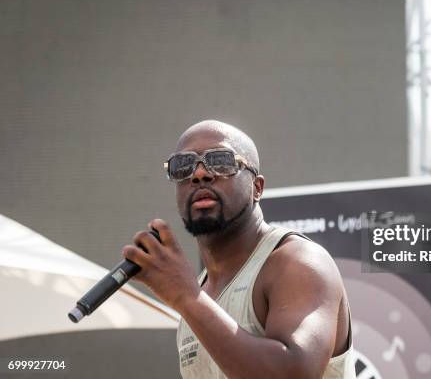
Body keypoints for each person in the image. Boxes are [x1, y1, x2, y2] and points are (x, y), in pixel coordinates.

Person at [123, 120, 356, 379]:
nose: (200, 174)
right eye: (183, 166)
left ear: (257, 188)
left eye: (221, 161)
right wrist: (190, 297)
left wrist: (186, 297)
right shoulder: (199, 291)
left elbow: (294, 373)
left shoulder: (297, 261)